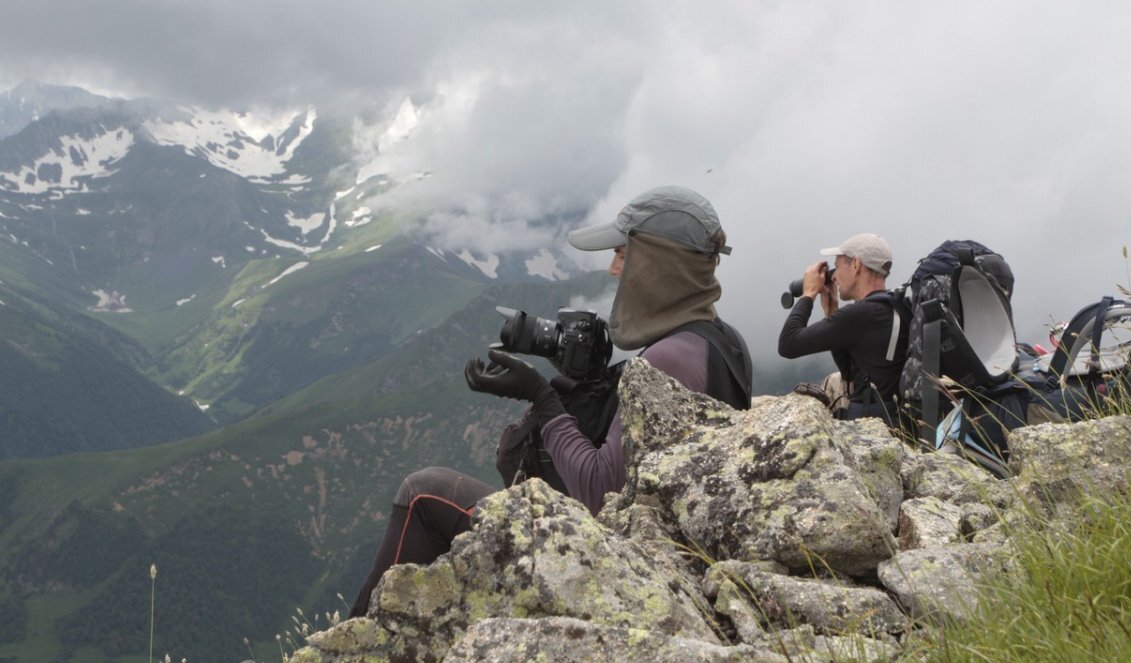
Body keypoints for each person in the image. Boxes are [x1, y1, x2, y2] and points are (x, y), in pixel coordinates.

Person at [349, 185, 752, 617]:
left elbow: (599, 492)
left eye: (622, 254)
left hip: (615, 566)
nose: (615, 270)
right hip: (665, 558)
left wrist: (541, 396)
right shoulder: (724, 342)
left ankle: (350, 650)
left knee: (423, 492)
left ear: (657, 264)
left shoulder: (669, 358)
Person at [777, 233, 908, 424]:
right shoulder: (897, 306)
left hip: (871, 430)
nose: (835, 277)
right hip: (897, 421)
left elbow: (788, 344)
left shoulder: (860, 314)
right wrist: (831, 311)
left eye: (837, 267)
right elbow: (851, 372)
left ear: (856, 264)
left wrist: (808, 294)